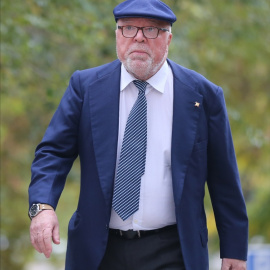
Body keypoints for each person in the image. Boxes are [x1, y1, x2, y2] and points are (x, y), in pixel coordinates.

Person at [28, 0, 248, 269]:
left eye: (152, 30)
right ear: (117, 35)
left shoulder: (203, 95)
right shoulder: (85, 87)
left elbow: (223, 176)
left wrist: (235, 248)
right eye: (128, 28)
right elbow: (53, 153)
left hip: (174, 250)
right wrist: (42, 206)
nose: (139, 38)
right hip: (98, 249)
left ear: (169, 38)